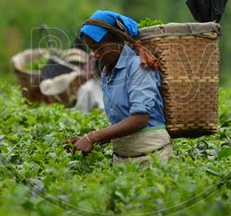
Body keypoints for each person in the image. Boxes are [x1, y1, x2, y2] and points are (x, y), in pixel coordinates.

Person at [67, 10, 174, 164]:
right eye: (92, 50)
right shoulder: (107, 73)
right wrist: (87, 140)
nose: (95, 55)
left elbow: (139, 119)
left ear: (118, 41)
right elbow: (120, 120)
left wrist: (93, 137)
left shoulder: (139, 67)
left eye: (100, 49)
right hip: (122, 159)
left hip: (153, 158)